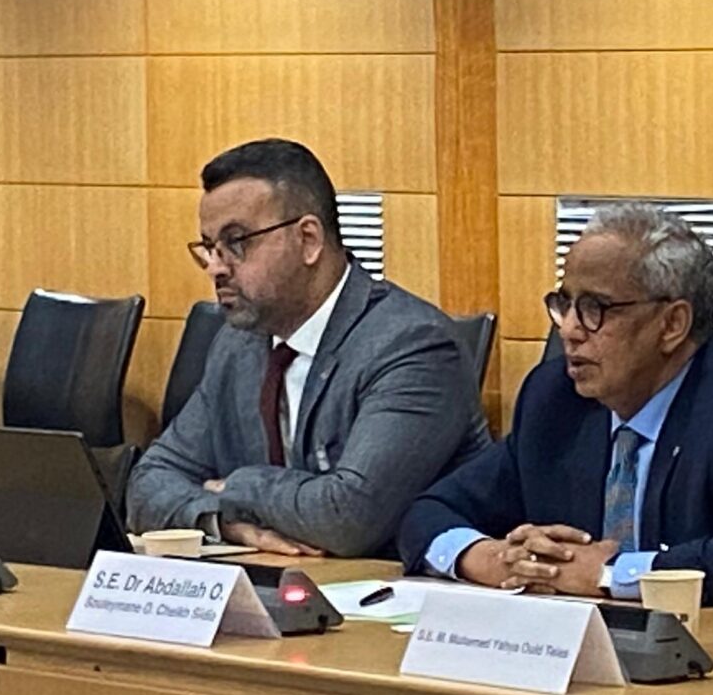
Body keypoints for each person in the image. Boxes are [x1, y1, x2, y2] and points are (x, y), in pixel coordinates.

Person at [398, 202, 713, 606]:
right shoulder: (556, 400)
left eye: (595, 308)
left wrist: (610, 574)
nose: (569, 329)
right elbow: (428, 511)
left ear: (672, 324)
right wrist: (491, 558)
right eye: (564, 304)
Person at [127, 139, 489, 556]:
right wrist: (222, 521)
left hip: (385, 586)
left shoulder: (413, 345)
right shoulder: (237, 344)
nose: (216, 267)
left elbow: (348, 518)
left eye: (237, 242)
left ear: (309, 239)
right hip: (272, 581)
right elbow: (147, 483)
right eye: (209, 247)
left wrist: (236, 486)